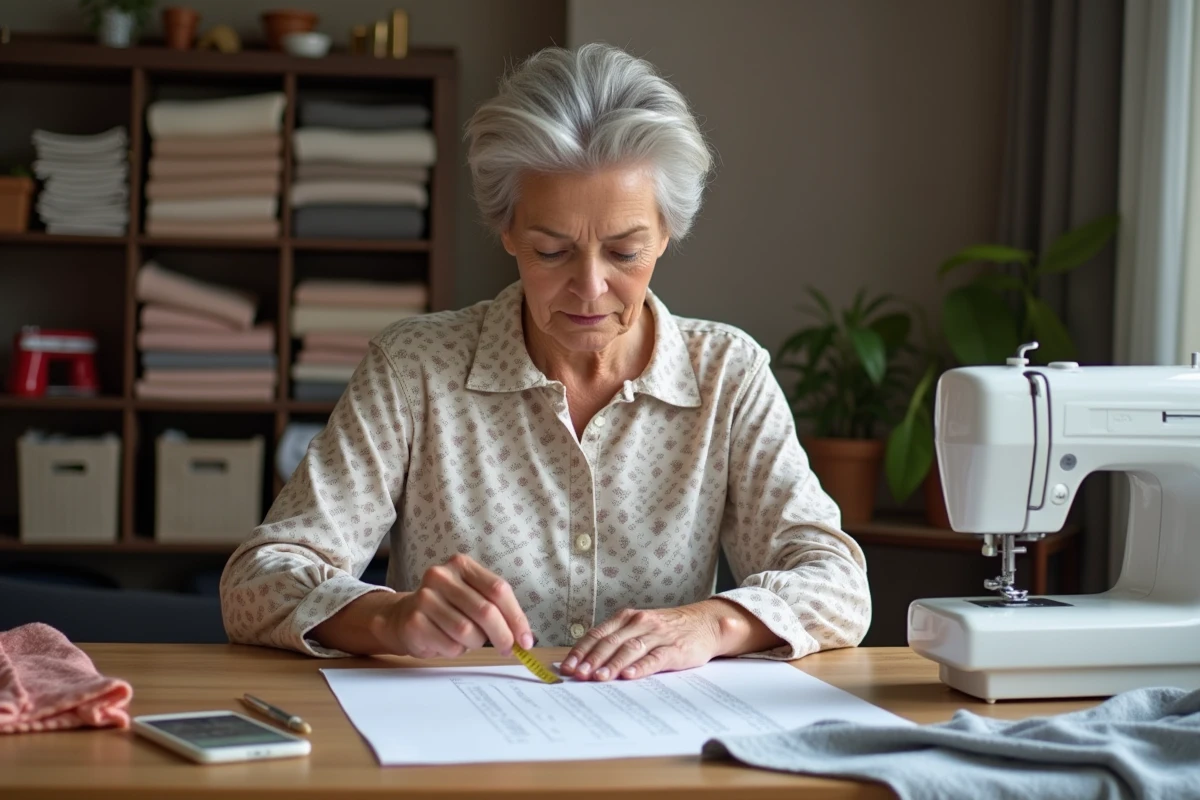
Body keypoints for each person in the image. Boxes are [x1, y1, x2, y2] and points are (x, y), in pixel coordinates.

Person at [220, 43, 870, 683]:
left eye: (624, 252)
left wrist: (711, 624)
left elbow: (838, 584)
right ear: (506, 229)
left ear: (666, 233)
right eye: (552, 251)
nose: (589, 288)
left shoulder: (728, 375)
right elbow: (256, 580)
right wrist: (388, 618)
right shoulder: (414, 369)